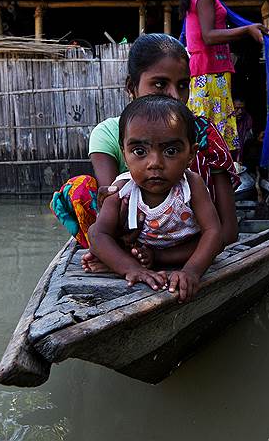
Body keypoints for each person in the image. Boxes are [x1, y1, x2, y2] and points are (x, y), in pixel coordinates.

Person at [50, 33, 238, 268]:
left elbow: (227, 232)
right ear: (131, 86)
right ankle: (119, 258)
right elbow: (113, 209)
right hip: (128, 236)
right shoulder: (109, 133)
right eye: (160, 84)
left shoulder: (203, 134)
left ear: (190, 152)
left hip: (197, 241)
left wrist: (172, 260)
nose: (175, 96)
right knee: (80, 188)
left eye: (182, 86)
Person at [89, 95, 223, 302]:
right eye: (139, 151)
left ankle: (146, 262)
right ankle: (127, 263)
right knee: (107, 250)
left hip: (186, 253)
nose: (155, 163)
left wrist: (192, 271)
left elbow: (213, 232)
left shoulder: (191, 184)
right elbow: (98, 234)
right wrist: (131, 269)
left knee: (212, 245)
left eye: (171, 151)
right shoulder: (122, 189)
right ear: (124, 154)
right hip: (141, 254)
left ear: (191, 154)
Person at [179, 0, 268, 153]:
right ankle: (207, 183)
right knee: (209, 142)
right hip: (208, 75)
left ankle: (211, 182)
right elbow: (208, 35)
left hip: (212, 74)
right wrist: (247, 30)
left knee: (211, 141)